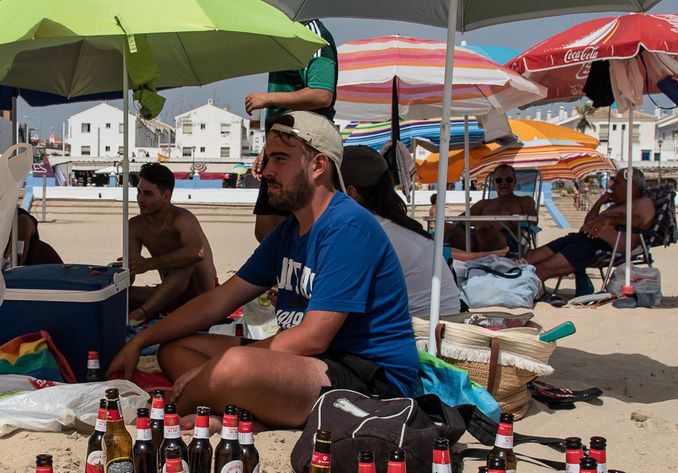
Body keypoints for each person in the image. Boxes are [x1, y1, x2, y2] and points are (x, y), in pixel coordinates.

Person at [108, 112, 418, 427]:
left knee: (232, 366)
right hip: (312, 361)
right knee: (176, 350)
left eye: (280, 159)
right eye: (268, 159)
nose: (266, 171)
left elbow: (314, 338)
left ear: (318, 166)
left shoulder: (347, 227)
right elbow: (219, 300)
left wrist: (213, 369)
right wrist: (141, 340)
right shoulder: (290, 230)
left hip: (369, 375)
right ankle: (244, 414)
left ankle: (187, 410)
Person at [340, 146, 460, 321]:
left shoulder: (368, 234)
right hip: (442, 326)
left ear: (351, 193)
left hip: (421, 334)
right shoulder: (397, 226)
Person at [244, 19, 337, 242]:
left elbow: (322, 93)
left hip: (303, 146)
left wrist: (267, 99)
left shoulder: (313, 36)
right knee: (268, 230)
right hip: (287, 143)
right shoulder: (289, 36)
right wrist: (270, 147)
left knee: (293, 227)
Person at [124, 162, 217, 325]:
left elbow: (197, 252)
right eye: (138, 192)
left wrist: (148, 264)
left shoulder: (182, 218)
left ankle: (142, 314)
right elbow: (130, 277)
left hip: (202, 298)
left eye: (147, 194)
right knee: (117, 296)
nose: (140, 199)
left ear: (166, 196)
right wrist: (124, 270)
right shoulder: (135, 226)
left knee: (186, 261)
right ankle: (144, 312)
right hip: (166, 297)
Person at [524, 169, 655, 284]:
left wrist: (610, 220)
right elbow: (587, 224)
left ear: (631, 185)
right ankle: (517, 276)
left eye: (617, 182)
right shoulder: (616, 206)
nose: (612, 186)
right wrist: (600, 202)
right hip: (581, 240)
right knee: (529, 258)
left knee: (544, 268)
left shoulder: (642, 202)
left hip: (601, 247)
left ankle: (521, 284)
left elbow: (638, 220)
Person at [446, 164, 539, 254]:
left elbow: (533, 221)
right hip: (475, 239)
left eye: (508, 180)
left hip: (509, 242)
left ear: (515, 182)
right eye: (499, 180)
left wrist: (507, 224)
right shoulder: (483, 204)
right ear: (493, 183)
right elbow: (459, 220)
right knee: (446, 228)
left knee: (486, 233)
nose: (503, 183)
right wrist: (480, 223)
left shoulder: (525, 201)